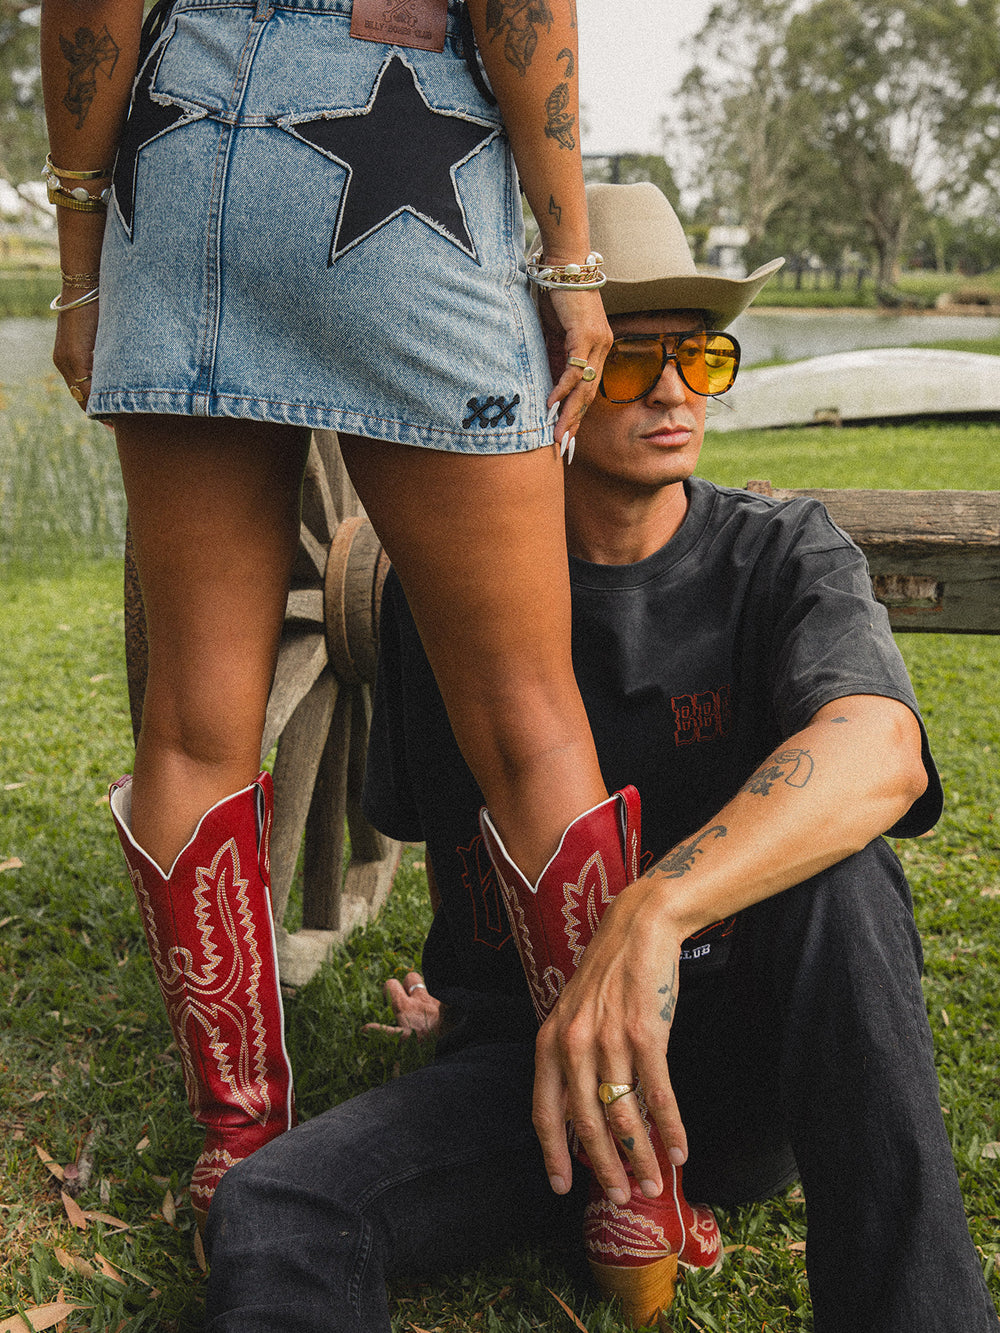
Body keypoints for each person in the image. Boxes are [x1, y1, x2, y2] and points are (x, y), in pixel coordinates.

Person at [203, 181, 1000, 1330]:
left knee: (844, 871)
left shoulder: (782, 556)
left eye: (701, 356)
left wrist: (653, 911)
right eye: (632, 358)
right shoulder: (448, 603)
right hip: (538, 1081)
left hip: (733, 1077)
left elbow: (881, 751)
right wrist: (463, 1003)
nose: (674, 389)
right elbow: (449, 849)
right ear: (556, 367)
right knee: (276, 1205)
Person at [39, 0, 617, 1227]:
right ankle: (627, 1182)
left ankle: (238, 1150)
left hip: (184, 168)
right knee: (528, 711)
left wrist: (82, 265)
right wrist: (568, 264)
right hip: (414, 157)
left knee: (196, 724)